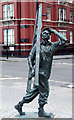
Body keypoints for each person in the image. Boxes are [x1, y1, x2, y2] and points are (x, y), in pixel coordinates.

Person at [14, 27, 68, 118]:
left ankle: (19, 105)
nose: (44, 34)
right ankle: (41, 111)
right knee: (45, 91)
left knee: (34, 92)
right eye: (43, 33)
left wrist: (54, 31)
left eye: (47, 33)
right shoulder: (37, 46)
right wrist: (32, 69)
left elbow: (65, 40)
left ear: (49, 36)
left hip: (47, 73)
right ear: (41, 36)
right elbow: (30, 57)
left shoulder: (52, 46)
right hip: (40, 73)